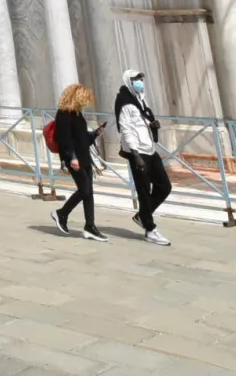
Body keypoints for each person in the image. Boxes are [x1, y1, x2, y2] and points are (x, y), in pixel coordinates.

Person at [116, 68, 172, 246]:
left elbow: (140, 122)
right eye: (136, 79)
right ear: (128, 82)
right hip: (138, 152)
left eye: (141, 78)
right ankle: (150, 229)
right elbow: (125, 128)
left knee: (164, 186)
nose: (140, 81)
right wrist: (135, 155)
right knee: (144, 191)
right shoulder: (125, 102)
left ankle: (142, 215)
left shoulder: (139, 98)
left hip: (149, 149)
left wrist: (152, 124)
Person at [50, 83, 107, 242]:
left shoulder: (77, 115)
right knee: (84, 191)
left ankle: (90, 226)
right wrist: (71, 157)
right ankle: (61, 213)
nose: (84, 103)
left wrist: (96, 133)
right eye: (83, 100)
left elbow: (83, 139)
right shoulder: (63, 114)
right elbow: (64, 139)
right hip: (73, 158)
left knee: (89, 192)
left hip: (84, 157)